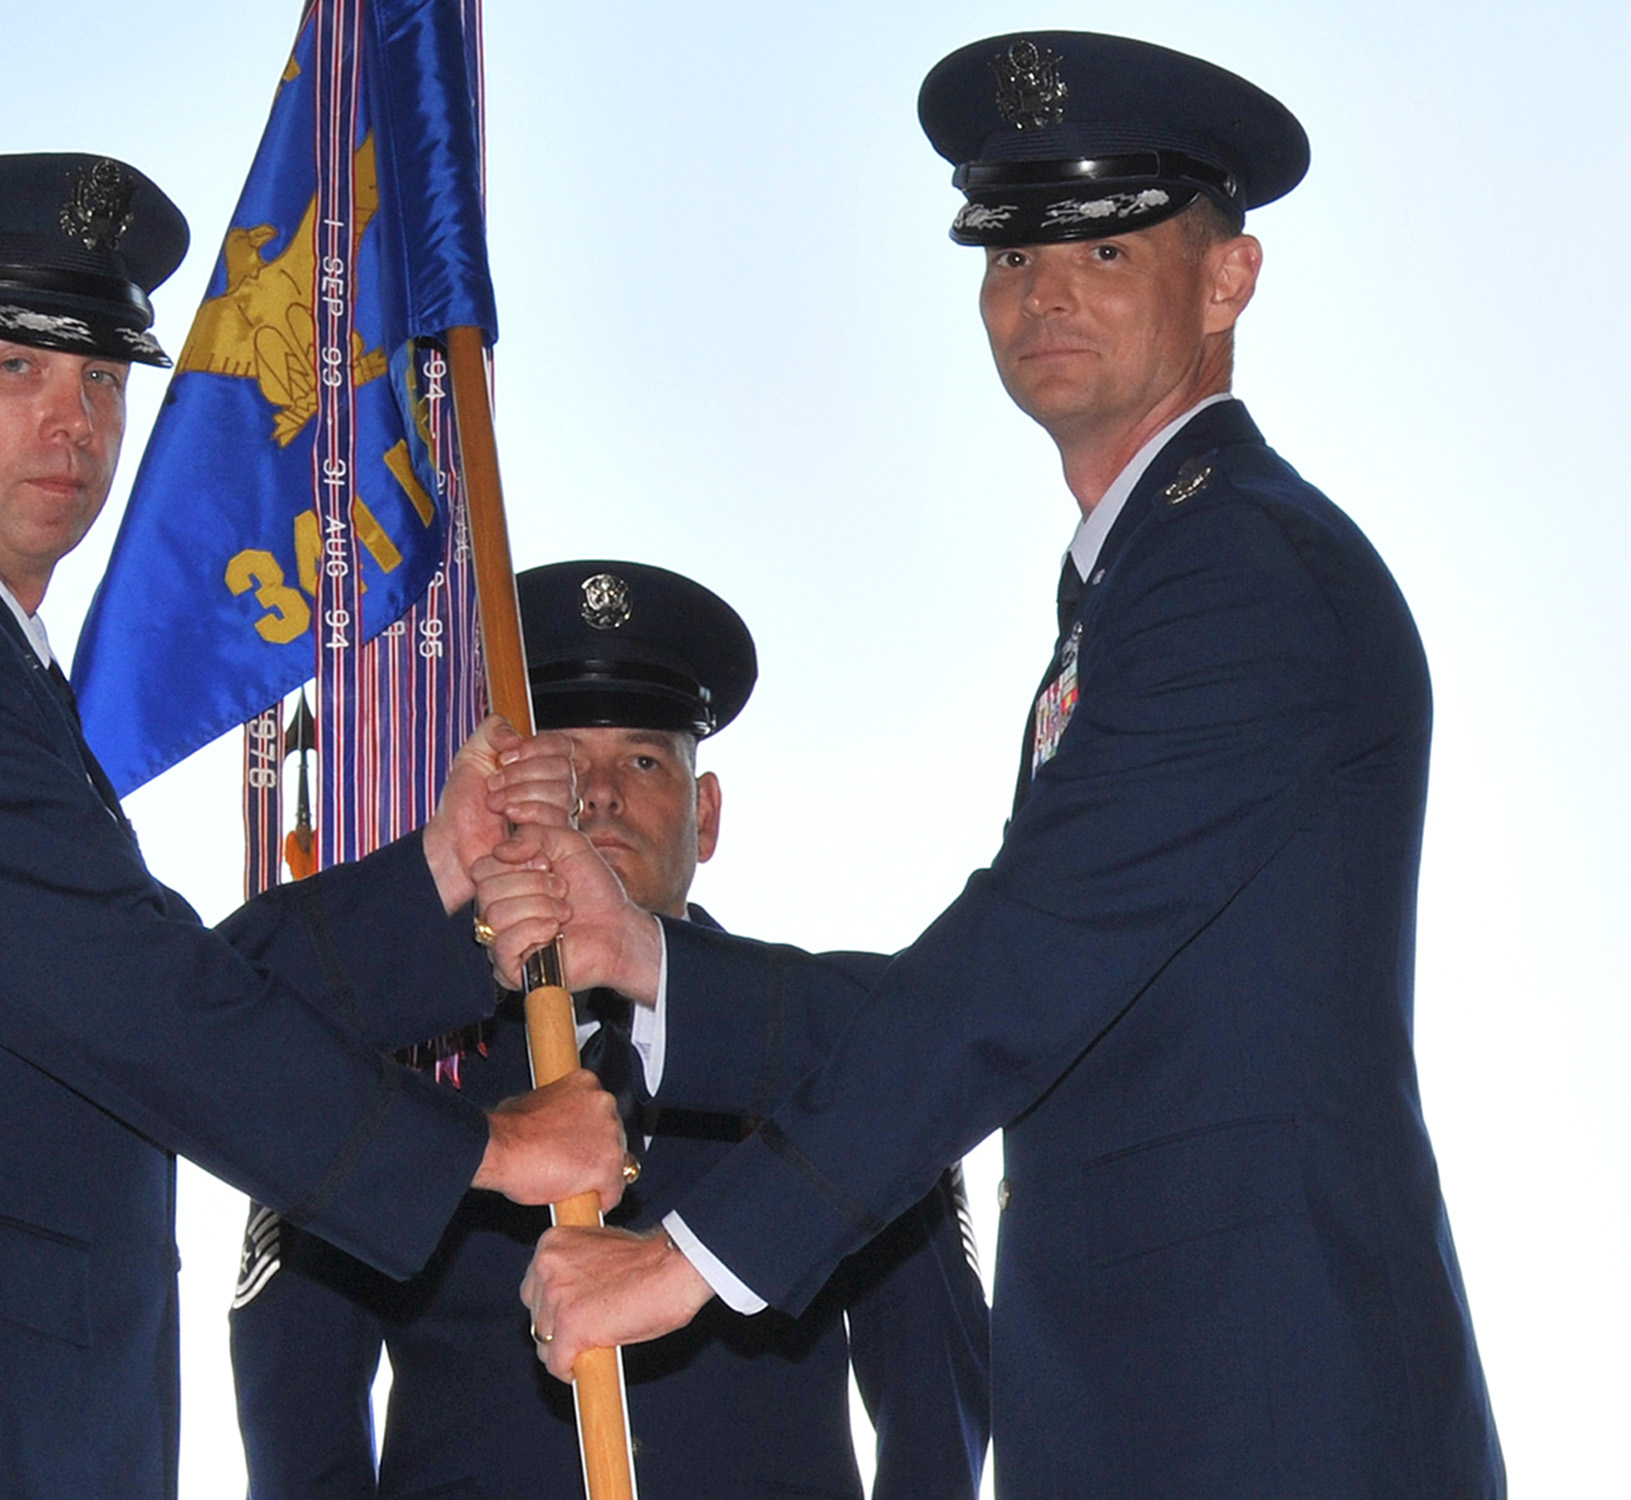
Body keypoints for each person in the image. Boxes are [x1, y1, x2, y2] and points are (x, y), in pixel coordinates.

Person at [490, 33, 1507, 1499]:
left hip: (1270, 1404)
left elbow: (1020, 967)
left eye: (1104, 250)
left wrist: (694, 1256)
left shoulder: (1241, 571)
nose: (1048, 295)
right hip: (1154, 1404)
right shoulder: (1144, 577)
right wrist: (650, 959)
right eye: (1015, 257)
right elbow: (1036, 977)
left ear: (1229, 281)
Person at [0, 153, 627, 1500]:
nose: (75, 423)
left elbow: (124, 991)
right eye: (15, 372)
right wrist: (489, 1148)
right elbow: (129, 997)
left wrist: (438, 871)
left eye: (101, 379)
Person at [230, 560, 991, 1500]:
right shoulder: (406, 1050)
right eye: (561, 762)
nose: (597, 795)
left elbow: (931, 1387)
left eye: (641, 760)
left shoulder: (834, 1050)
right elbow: (295, 1385)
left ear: (705, 814)